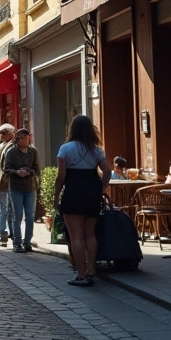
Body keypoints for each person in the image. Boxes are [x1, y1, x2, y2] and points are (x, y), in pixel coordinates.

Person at [54, 116, 114, 286]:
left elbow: (61, 177)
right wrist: (102, 187)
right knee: (90, 234)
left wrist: (56, 197)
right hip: (92, 192)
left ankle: (81, 275)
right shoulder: (96, 150)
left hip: (73, 191)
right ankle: (92, 270)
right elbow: (107, 171)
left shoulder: (65, 149)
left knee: (76, 237)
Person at [3, 128, 41, 252]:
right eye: (24, 138)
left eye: (28, 138)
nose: (26, 140)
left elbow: (37, 169)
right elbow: (6, 170)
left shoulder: (33, 152)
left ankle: (27, 242)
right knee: (17, 216)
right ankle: (17, 243)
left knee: (30, 216)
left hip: (30, 188)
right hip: (16, 188)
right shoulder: (11, 152)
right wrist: (17, 172)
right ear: (18, 140)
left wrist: (29, 171)